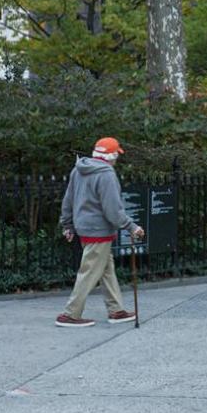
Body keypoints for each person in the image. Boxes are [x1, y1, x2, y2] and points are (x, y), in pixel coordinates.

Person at [56, 137, 142, 327]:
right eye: (116, 155)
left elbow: (68, 200)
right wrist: (132, 226)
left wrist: (67, 225)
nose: (116, 159)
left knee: (105, 269)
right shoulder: (107, 174)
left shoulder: (78, 170)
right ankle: (70, 314)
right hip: (99, 230)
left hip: (84, 228)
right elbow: (113, 210)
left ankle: (116, 310)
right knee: (89, 272)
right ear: (111, 155)